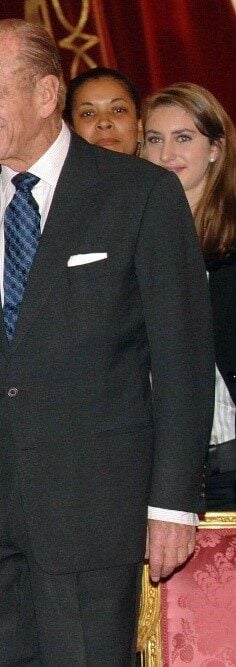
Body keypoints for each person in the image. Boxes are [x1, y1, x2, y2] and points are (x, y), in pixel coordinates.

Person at [0, 19, 213, 664]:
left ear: (47, 95)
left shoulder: (140, 196)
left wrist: (175, 503)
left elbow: (182, 362)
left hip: (93, 518)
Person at [143, 82, 236, 509]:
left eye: (184, 138)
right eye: (154, 140)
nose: (166, 154)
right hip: (157, 461)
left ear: (215, 147)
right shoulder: (131, 239)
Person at [64, 66, 143, 156]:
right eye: (88, 113)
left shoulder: (157, 170)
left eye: (118, 110)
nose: (104, 123)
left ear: (139, 125)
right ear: (71, 129)